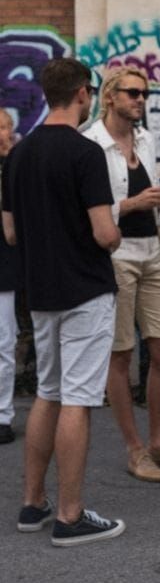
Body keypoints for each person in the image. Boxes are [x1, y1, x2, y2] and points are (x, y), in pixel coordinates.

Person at [2, 58, 125, 545]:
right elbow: (105, 233)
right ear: (81, 93)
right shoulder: (85, 152)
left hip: (40, 292)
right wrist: (115, 236)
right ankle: (70, 516)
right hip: (85, 290)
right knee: (77, 398)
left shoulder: (18, 154)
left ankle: (33, 503)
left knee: (47, 394)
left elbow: (10, 233)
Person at [85, 67, 160, 482]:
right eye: (133, 92)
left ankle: (159, 443)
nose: (141, 99)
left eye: (145, 93)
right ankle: (134, 449)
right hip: (114, 254)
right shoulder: (91, 144)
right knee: (120, 354)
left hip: (152, 253)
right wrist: (133, 203)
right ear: (110, 96)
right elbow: (87, 209)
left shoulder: (146, 140)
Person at [0, 108, 18, 444]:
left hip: (4, 267)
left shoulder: (15, 167)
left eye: (4, 127)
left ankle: (2, 415)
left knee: (4, 343)